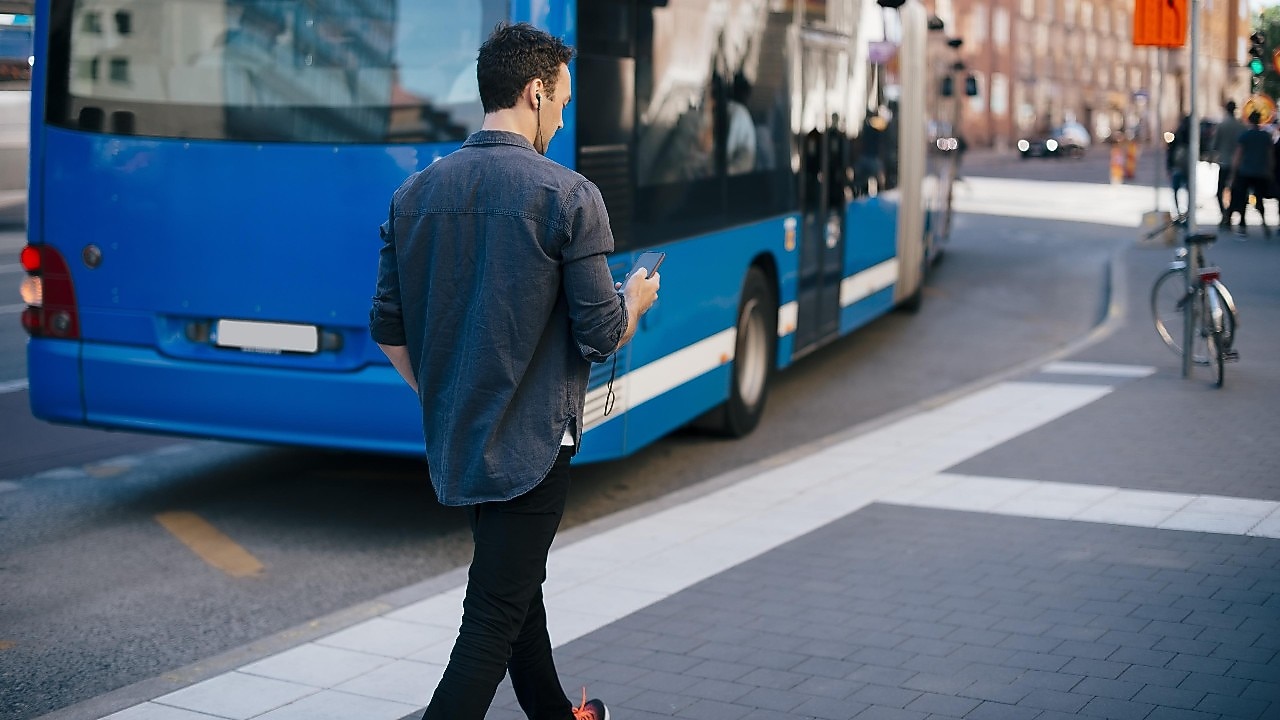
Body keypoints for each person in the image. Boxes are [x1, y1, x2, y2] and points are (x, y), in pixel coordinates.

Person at [369, 22, 660, 720]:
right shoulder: (568, 196)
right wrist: (637, 301)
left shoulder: (414, 194)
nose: (562, 117)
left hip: (462, 438)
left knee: (514, 591)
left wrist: (446, 394)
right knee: (491, 622)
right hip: (534, 449)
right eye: (560, 100)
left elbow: (387, 328)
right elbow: (600, 334)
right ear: (535, 93)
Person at [1228, 110, 1274, 239]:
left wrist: (1233, 172)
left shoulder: (1245, 136)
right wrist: (1269, 170)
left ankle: (1242, 225)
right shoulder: (1265, 136)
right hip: (1260, 171)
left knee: (1243, 198)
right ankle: (1264, 223)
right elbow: (1270, 155)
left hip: (1246, 171)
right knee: (1259, 199)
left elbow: (1238, 155)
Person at [1213, 100, 1246, 228]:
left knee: (1220, 191)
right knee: (1235, 190)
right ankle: (1230, 214)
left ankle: (1224, 214)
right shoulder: (1241, 126)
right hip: (1238, 164)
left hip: (1225, 162)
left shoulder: (1222, 125)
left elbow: (1215, 144)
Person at [1166, 115, 1191, 216]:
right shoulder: (1191, 137)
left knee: (1177, 189)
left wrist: (1169, 166)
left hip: (1177, 166)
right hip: (1186, 166)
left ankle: (1179, 210)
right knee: (1187, 188)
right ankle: (1185, 211)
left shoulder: (1178, 134)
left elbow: (1170, 151)